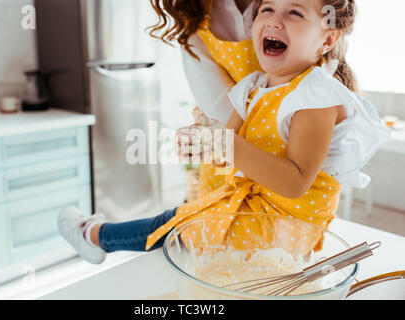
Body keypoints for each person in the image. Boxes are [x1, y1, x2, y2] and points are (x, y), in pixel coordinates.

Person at [58, 0, 390, 264]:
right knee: (179, 221)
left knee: (177, 224)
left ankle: (94, 235)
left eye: (294, 13)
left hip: (284, 228)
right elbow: (226, 151)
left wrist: (224, 143)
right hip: (257, 213)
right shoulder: (256, 87)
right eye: (267, 8)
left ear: (328, 39)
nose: (275, 20)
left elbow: (294, 181)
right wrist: (204, 142)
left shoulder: (316, 96)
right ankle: (95, 235)